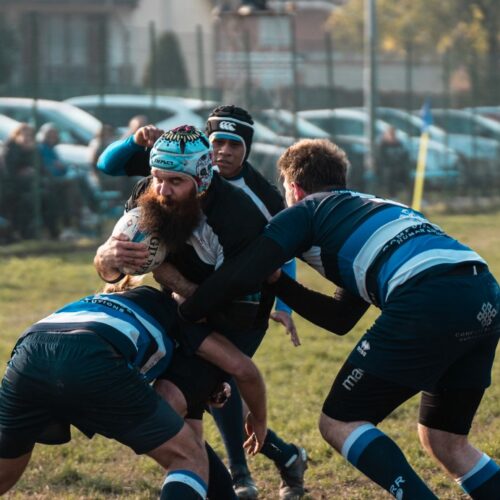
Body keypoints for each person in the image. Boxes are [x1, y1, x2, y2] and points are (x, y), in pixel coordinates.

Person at [178, 138, 500, 499]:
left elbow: (242, 272)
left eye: (285, 191)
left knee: (339, 421)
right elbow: (341, 317)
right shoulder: (373, 208)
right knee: (445, 440)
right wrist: (282, 283)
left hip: (426, 293)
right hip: (483, 289)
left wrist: (186, 312)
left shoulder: (306, 210)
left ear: (295, 189)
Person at [97, 111, 308, 499]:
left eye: (175, 182)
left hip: (238, 313)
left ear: (202, 178)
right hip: (184, 305)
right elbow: (110, 265)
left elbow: (232, 301)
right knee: (183, 414)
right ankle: (241, 474)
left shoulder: (244, 213)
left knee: (176, 401)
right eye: (158, 178)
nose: (162, 190)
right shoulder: (152, 193)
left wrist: (169, 280)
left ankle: (237, 473)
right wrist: (108, 258)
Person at [0, 273, 269, 499]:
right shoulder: (178, 315)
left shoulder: (114, 299)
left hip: (29, 353)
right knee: (188, 458)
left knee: (4, 473)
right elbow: (243, 369)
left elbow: (187, 422)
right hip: (93, 355)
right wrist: (259, 419)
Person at [1, 123, 37, 239]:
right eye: (24, 135)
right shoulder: (10, 149)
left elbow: (39, 169)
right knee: (26, 201)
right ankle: (21, 232)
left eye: (29, 136)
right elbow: (10, 172)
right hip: (11, 188)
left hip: (27, 186)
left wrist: (30, 152)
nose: (27, 138)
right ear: (16, 135)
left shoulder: (31, 149)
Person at [377, 126, 410, 199]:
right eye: (391, 134)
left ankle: (410, 197)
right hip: (387, 168)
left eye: (394, 134)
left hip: (398, 167)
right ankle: (392, 196)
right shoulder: (383, 145)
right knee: (390, 174)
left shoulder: (398, 144)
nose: (393, 136)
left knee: (407, 174)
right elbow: (381, 160)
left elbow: (404, 156)